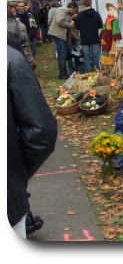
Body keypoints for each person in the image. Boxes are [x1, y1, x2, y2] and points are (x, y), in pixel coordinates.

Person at [7, 43, 57, 238]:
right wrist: (18, 173)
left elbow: (41, 133)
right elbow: (42, 134)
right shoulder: (11, 60)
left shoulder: (11, 60)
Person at [48, 1, 79, 79]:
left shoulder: (69, 15)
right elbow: (59, 21)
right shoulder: (61, 10)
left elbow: (69, 31)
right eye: (75, 11)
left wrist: (78, 38)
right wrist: (70, 24)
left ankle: (66, 72)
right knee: (62, 55)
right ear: (72, 7)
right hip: (58, 35)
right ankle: (62, 75)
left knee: (67, 53)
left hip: (63, 37)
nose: (74, 13)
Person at [75, 0, 103, 73]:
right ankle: (96, 73)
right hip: (95, 38)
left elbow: (76, 26)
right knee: (95, 57)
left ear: (83, 5)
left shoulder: (80, 15)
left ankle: (88, 74)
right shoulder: (96, 14)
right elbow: (100, 25)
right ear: (90, 4)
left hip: (84, 39)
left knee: (86, 57)